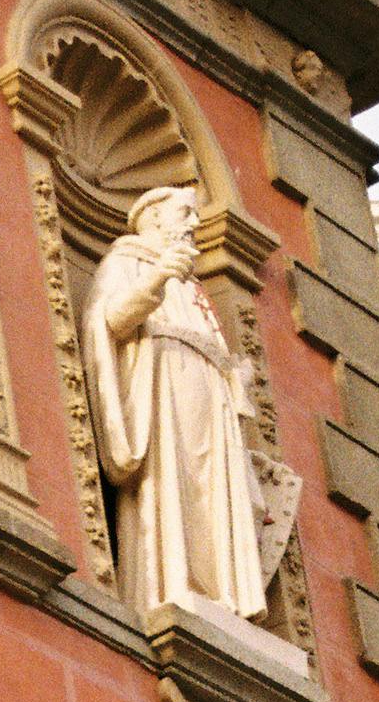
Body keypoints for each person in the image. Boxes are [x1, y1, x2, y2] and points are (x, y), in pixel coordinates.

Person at [81, 183, 271, 626]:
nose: (192, 224)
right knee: (174, 480)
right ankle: (168, 582)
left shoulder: (195, 285)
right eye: (184, 213)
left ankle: (220, 590)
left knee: (212, 491)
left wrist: (232, 378)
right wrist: (158, 277)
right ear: (154, 218)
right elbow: (108, 321)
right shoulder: (126, 261)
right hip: (163, 388)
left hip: (207, 397)